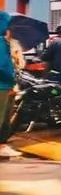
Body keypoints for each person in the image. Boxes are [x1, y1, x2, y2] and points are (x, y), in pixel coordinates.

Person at [0, 12, 22, 158]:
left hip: (5, 85)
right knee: (2, 117)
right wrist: (12, 80)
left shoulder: (6, 43)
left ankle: (2, 146)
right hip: (2, 85)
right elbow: (2, 66)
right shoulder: (1, 43)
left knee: (5, 118)